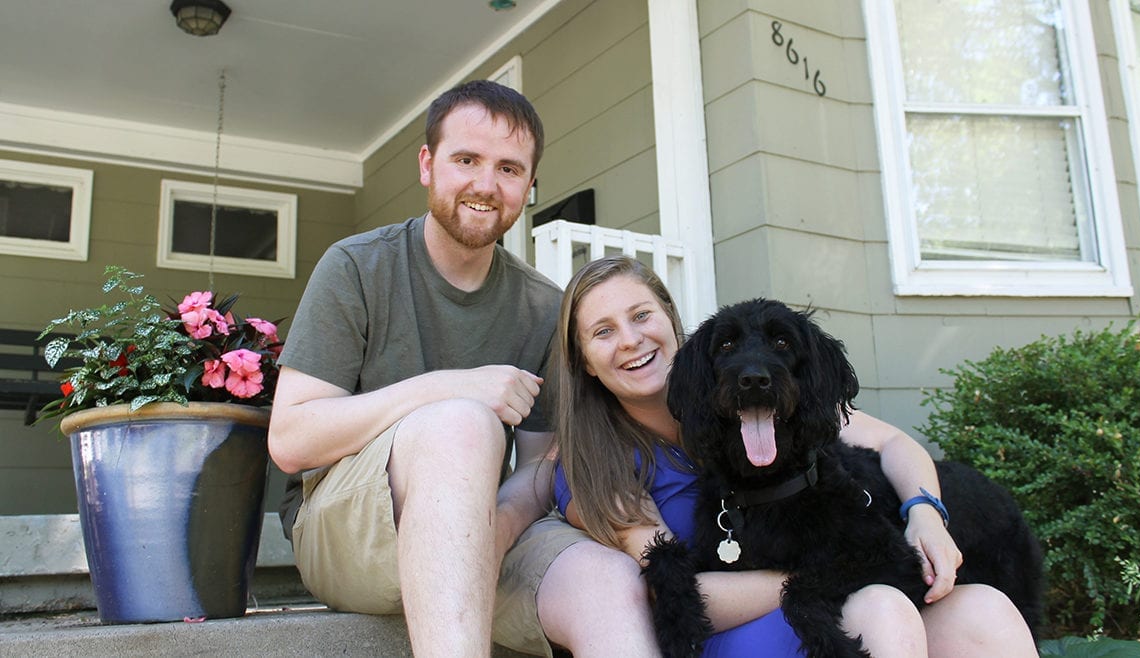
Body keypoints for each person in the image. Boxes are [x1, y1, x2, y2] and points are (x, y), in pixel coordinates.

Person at [268, 80, 662, 657]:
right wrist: (444, 388)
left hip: (480, 525)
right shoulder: (356, 267)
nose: (485, 184)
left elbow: (539, 467)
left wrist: (497, 527)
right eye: (466, 159)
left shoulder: (544, 308)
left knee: (611, 583)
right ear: (428, 164)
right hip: (344, 527)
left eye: (508, 168)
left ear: (529, 187)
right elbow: (291, 439)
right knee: (461, 424)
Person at [552, 255, 1039, 657]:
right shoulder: (599, 461)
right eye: (603, 331)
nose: (631, 340)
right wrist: (817, 578)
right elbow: (670, 592)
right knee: (882, 607)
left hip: (838, 594)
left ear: (671, 322)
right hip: (751, 624)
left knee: (986, 610)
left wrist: (925, 513)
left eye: (640, 316)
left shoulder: (788, 410)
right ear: (584, 362)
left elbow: (893, 444)